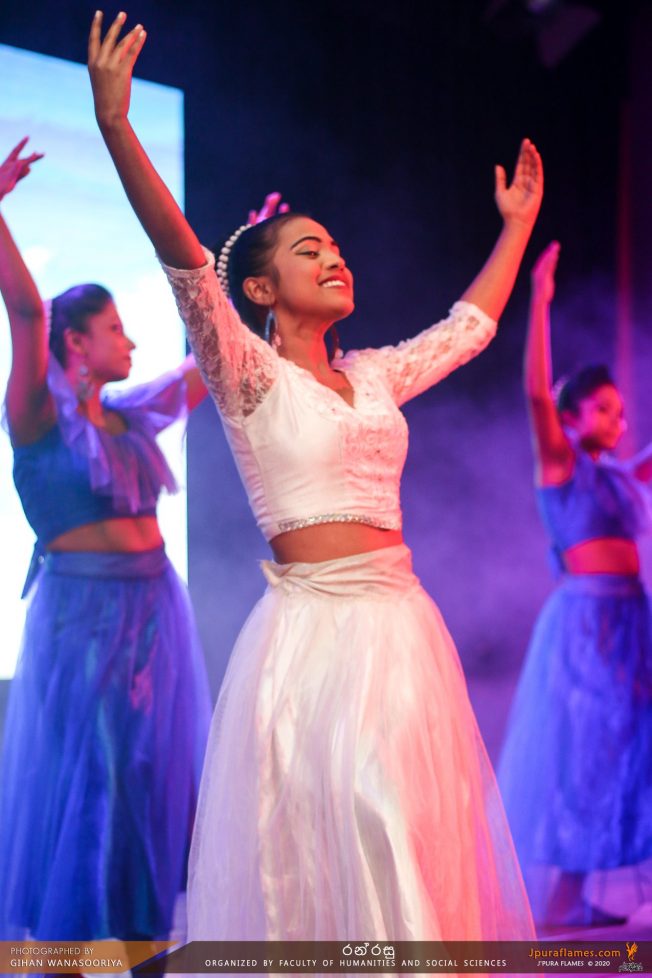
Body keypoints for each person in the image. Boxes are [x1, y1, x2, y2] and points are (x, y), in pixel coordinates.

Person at [88, 11, 543, 940]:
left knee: (404, 836)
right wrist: (117, 125)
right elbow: (186, 263)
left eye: (337, 247)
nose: (334, 257)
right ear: (260, 291)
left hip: (400, 628)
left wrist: (517, 229)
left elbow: (466, 329)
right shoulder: (249, 378)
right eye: (309, 250)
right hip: (309, 639)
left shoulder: (372, 374)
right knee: (330, 851)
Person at [0, 138, 212, 941]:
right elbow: (27, 313)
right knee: (91, 774)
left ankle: (141, 937)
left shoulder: (131, 419)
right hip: (80, 616)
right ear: (76, 343)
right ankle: (70, 946)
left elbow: (207, 364)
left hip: (154, 610)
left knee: (148, 776)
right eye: (115, 329)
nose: (130, 343)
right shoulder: (35, 416)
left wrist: (228, 277)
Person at [498, 241, 652, 927]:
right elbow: (536, 392)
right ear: (574, 414)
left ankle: (574, 894)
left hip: (630, 621)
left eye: (621, 413)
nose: (620, 422)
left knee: (619, 750)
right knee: (584, 750)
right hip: (586, 625)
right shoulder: (561, 464)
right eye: (607, 410)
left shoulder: (621, 476)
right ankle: (559, 896)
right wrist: (539, 298)